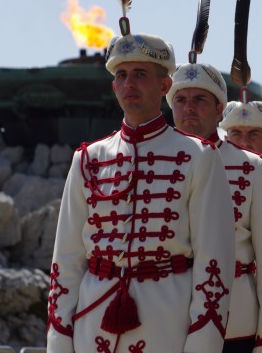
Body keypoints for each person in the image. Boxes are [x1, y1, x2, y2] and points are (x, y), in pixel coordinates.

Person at [46, 32, 236, 353]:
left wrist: (202, 342)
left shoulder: (199, 156)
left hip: (168, 327)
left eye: (140, 74)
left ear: (164, 87)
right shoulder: (88, 159)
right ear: (113, 87)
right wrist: (60, 340)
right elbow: (66, 260)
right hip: (92, 328)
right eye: (121, 75)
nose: (129, 83)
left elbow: (214, 261)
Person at [168, 61, 262, 353]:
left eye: (200, 99)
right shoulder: (153, 163)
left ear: (219, 110)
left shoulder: (254, 168)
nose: (189, 108)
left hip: (233, 320)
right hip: (165, 316)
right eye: (181, 100)